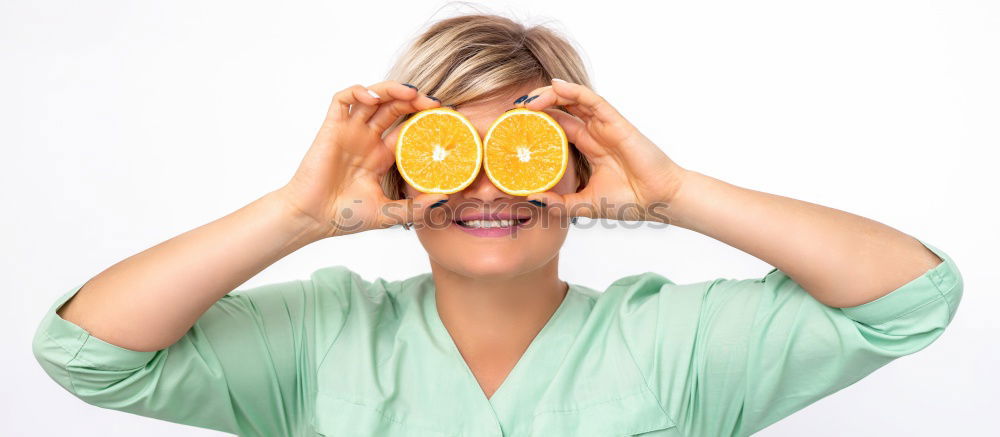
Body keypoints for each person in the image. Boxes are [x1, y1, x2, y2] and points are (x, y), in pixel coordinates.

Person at [32, 13, 963, 437]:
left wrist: (673, 190)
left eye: (519, 148)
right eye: (447, 149)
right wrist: (296, 215)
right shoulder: (319, 339)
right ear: (400, 167)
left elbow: (911, 298)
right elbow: (90, 353)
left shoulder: (674, 343)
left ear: (577, 165)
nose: (485, 186)